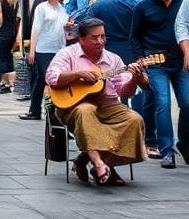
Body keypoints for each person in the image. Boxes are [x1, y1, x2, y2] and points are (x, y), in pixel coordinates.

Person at [46, 18, 148, 185]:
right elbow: (52, 78)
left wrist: (135, 79)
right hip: (73, 105)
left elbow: (125, 92)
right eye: (95, 37)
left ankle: (95, 163)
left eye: (103, 36)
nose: (100, 41)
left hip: (108, 104)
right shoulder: (68, 54)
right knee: (86, 111)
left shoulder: (113, 60)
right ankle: (99, 163)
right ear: (82, 39)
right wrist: (77, 74)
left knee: (134, 120)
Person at [78, 0, 158, 157]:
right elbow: (142, 27)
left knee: (113, 89)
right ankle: (143, 132)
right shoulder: (133, 3)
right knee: (137, 87)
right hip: (131, 49)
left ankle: (117, 125)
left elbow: (87, 26)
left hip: (109, 50)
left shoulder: (99, 3)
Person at [130, 0, 188, 169]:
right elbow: (135, 37)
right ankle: (166, 150)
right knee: (162, 102)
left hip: (180, 61)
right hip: (155, 62)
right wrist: (140, 61)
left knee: (187, 102)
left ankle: (184, 143)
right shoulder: (143, 5)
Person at [21, 0, 71, 121]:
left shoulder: (63, 9)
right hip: (43, 49)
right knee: (49, 79)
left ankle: (35, 110)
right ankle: (53, 111)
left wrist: (68, 28)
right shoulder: (42, 8)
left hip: (59, 49)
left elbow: (65, 32)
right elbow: (35, 30)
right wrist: (32, 51)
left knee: (41, 79)